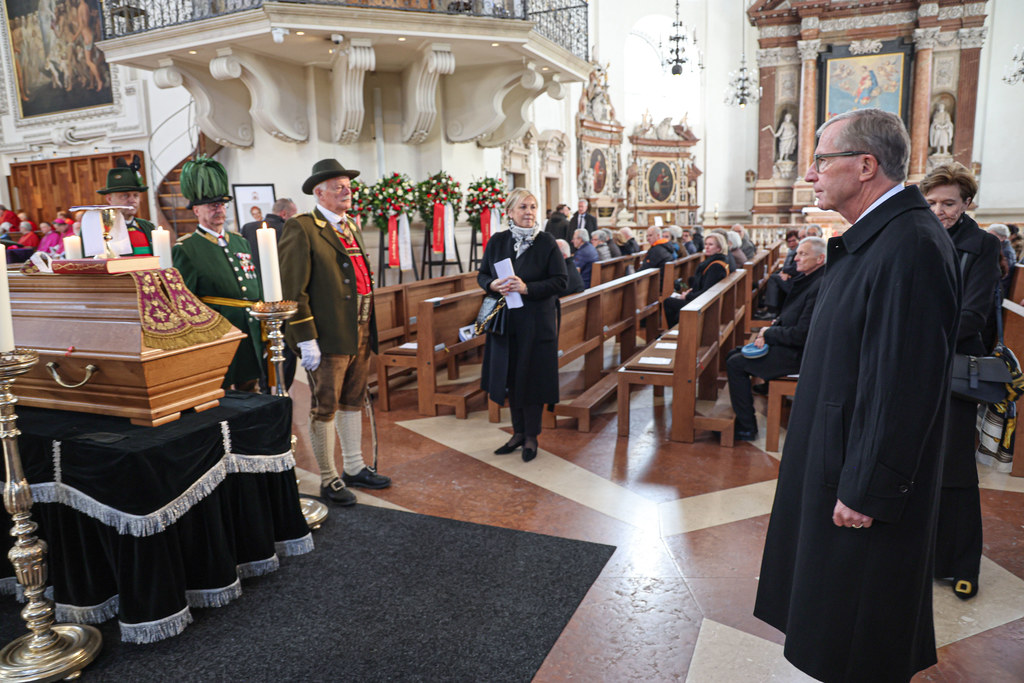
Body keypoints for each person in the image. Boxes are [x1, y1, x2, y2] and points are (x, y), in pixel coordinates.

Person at [754, 108, 960, 682]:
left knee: (861, 629)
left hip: (859, 476)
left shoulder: (910, 245)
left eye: (821, 159)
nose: (811, 173)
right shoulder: (877, 238)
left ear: (865, 166)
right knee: (837, 622)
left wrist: (869, 489)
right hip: (837, 452)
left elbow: (905, 382)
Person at [279, 158, 392, 505]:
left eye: (348, 185)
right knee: (325, 405)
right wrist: (304, 336)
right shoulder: (303, 227)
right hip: (327, 335)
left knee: (352, 400)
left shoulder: (350, 225)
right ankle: (329, 478)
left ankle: (354, 468)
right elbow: (292, 288)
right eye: (339, 186)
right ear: (319, 192)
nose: (348, 191)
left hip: (358, 328)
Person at [922, 163, 1001, 601]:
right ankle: (921, 557)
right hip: (914, 365)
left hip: (953, 366)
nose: (940, 211)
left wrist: (915, 330)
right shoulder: (917, 237)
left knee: (954, 469)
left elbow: (974, 315)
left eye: (949, 203)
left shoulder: (981, 245)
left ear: (966, 203)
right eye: (932, 203)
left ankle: (960, 564)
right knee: (914, 462)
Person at [478, 188, 567, 463]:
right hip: (506, 324)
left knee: (532, 380)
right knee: (511, 379)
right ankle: (517, 433)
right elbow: (482, 275)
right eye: (523, 207)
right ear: (510, 212)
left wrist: (527, 287)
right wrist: (491, 284)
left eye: (532, 207)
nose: (529, 212)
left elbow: (561, 282)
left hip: (536, 324)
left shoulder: (547, 242)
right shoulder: (497, 241)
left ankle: (531, 437)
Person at [172, 157, 263, 392]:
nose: (218, 209)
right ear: (196, 210)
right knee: (221, 393)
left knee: (251, 390)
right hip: (217, 330)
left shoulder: (240, 243)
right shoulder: (187, 248)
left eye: (222, 204)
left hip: (249, 327)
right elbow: (185, 300)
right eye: (212, 205)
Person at [726, 237, 826, 441]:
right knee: (734, 353)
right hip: (792, 345)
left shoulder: (818, 286)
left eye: (803, 254)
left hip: (801, 355)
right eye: (797, 253)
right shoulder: (809, 280)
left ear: (820, 259)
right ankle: (743, 417)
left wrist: (769, 334)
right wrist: (771, 328)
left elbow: (802, 334)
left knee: (736, 363)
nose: (796, 258)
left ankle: (746, 427)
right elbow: (791, 314)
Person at [242, 197, 299, 393]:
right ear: (284, 214)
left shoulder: (247, 228)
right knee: (287, 345)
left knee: (260, 346)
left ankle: (264, 387)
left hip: (254, 299)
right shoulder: (289, 229)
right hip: (281, 299)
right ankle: (282, 386)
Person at [663, 232, 731, 328]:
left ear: (719, 248)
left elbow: (707, 292)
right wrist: (691, 292)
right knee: (673, 301)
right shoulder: (716, 261)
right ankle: (677, 330)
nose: (707, 247)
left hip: (707, 304)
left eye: (711, 245)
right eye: (706, 244)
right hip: (706, 299)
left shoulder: (716, 266)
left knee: (668, 302)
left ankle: (677, 332)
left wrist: (687, 296)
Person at [97, 155, 154, 255]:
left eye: (136, 195)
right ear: (109, 199)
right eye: (125, 196)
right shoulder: (98, 228)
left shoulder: (147, 226)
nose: (132, 200)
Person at [756, 229, 800, 318]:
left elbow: (797, 268)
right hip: (790, 277)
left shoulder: (798, 251)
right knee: (771, 277)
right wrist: (782, 272)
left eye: (794, 241)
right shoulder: (791, 252)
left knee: (773, 278)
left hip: (796, 281)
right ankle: (765, 306)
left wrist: (785, 272)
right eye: (789, 241)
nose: (791, 243)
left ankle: (771, 310)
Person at [986, 223, 1016, 296]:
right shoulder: (999, 248)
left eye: (992, 235)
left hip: (999, 289)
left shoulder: (1006, 252)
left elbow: (1001, 274)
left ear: (1003, 237)